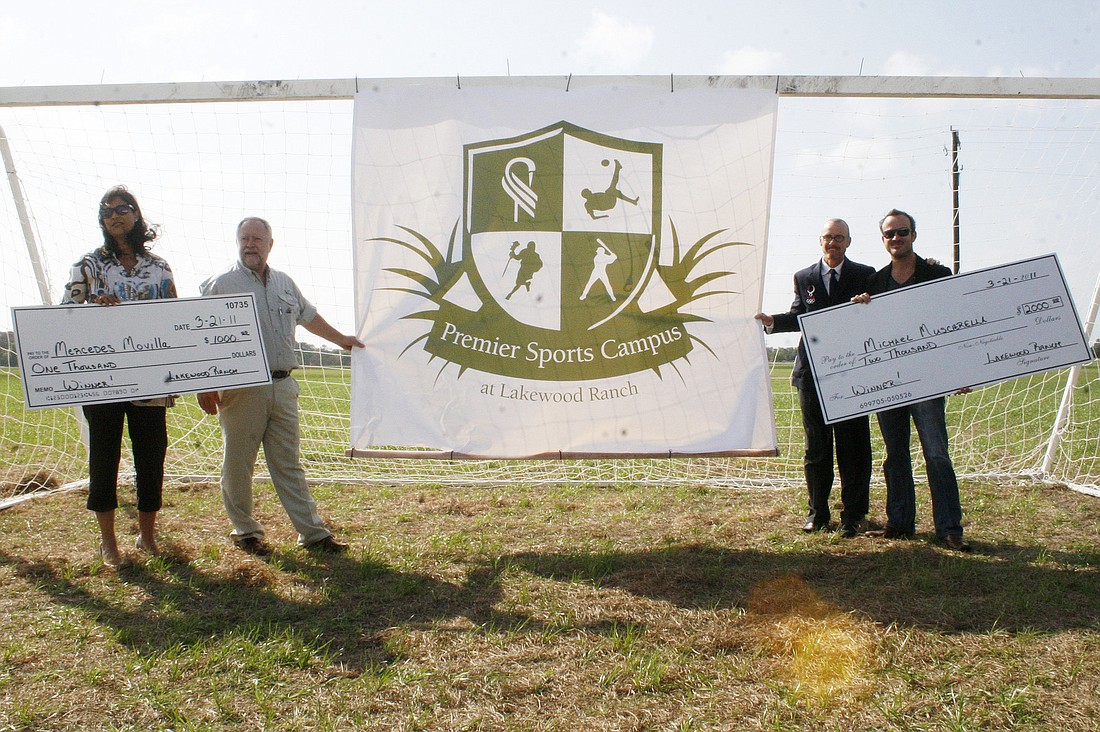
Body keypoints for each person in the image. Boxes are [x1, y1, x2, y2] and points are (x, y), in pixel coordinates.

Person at [197, 217, 364, 555]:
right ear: (237, 242)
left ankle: (313, 534)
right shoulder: (221, 284)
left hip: (284, 385)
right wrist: (205, 382)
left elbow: (308, 316)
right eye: (244, 238)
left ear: (270, 245)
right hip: (242, 389)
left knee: (288, 463)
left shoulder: (285, 283)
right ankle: (246, 532)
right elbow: (201, 334)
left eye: (257, 239)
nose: (250, 244)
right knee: (238, 464)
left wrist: (341, 339)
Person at [62, 185, 177, 566]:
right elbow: (63, 314)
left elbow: (174, 320)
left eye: (122, 208)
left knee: (151, 456)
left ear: (136, 214)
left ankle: (147, 536)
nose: (114, 215)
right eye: (107, 210)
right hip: (102, 381)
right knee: (104, 456)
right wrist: (94, 305)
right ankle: (108, 542)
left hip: (150, 380)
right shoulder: (88, 265)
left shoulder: (159, 268)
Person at [856, 209, 972, 552]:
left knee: (936, 454)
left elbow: (955, 322)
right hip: (889, 382)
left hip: (929, 381)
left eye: (902, 232)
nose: (896, 238)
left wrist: (962, 370)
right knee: (895, 454)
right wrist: (858, 308)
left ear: (914, 235)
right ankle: (899, 523)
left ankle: (949, 529)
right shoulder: (874, 282)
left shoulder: (937, 273)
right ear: (883, 239)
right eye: (889, 233)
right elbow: (865, 330)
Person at [755, 218, 875, 536]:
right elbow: (799, 316)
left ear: (849, 242)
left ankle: (853, 515)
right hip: (811, 375)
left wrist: (868, 305)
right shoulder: (804, 277)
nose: (833, 243)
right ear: (820, 241)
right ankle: (817, 513)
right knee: (817, 448)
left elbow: (875, 317)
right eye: (828, 237)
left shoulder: (865, 275)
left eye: (839, 237)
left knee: (853, 447)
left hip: (850, 373)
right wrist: (771, 322)